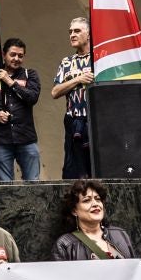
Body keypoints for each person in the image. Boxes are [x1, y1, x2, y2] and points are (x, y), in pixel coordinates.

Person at [0, 37, 42, 182]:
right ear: (4, 55)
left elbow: (32, 97)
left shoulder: (30, 75)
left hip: (26, 139)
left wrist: (10, 82)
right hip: (0, 140)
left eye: (20, 56)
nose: (16, 58)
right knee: (5, 186)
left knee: (33, 182)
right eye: (13, 54)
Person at [50, 17, 94, 179]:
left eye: (77, 31)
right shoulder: (66, 62)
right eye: (70, 32)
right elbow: (55, 92)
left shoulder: (99, 59)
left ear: (89, 35)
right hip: (73, 122)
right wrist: (78, 79)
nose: (72, 35)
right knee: (73, 170)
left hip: (96, 122)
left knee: (96, 167)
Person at [51, 181, 135, 261]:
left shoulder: (120, 234)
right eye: (87, 200)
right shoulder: (65, 244)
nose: (95, 204)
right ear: (74, 211)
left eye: (98, 199)